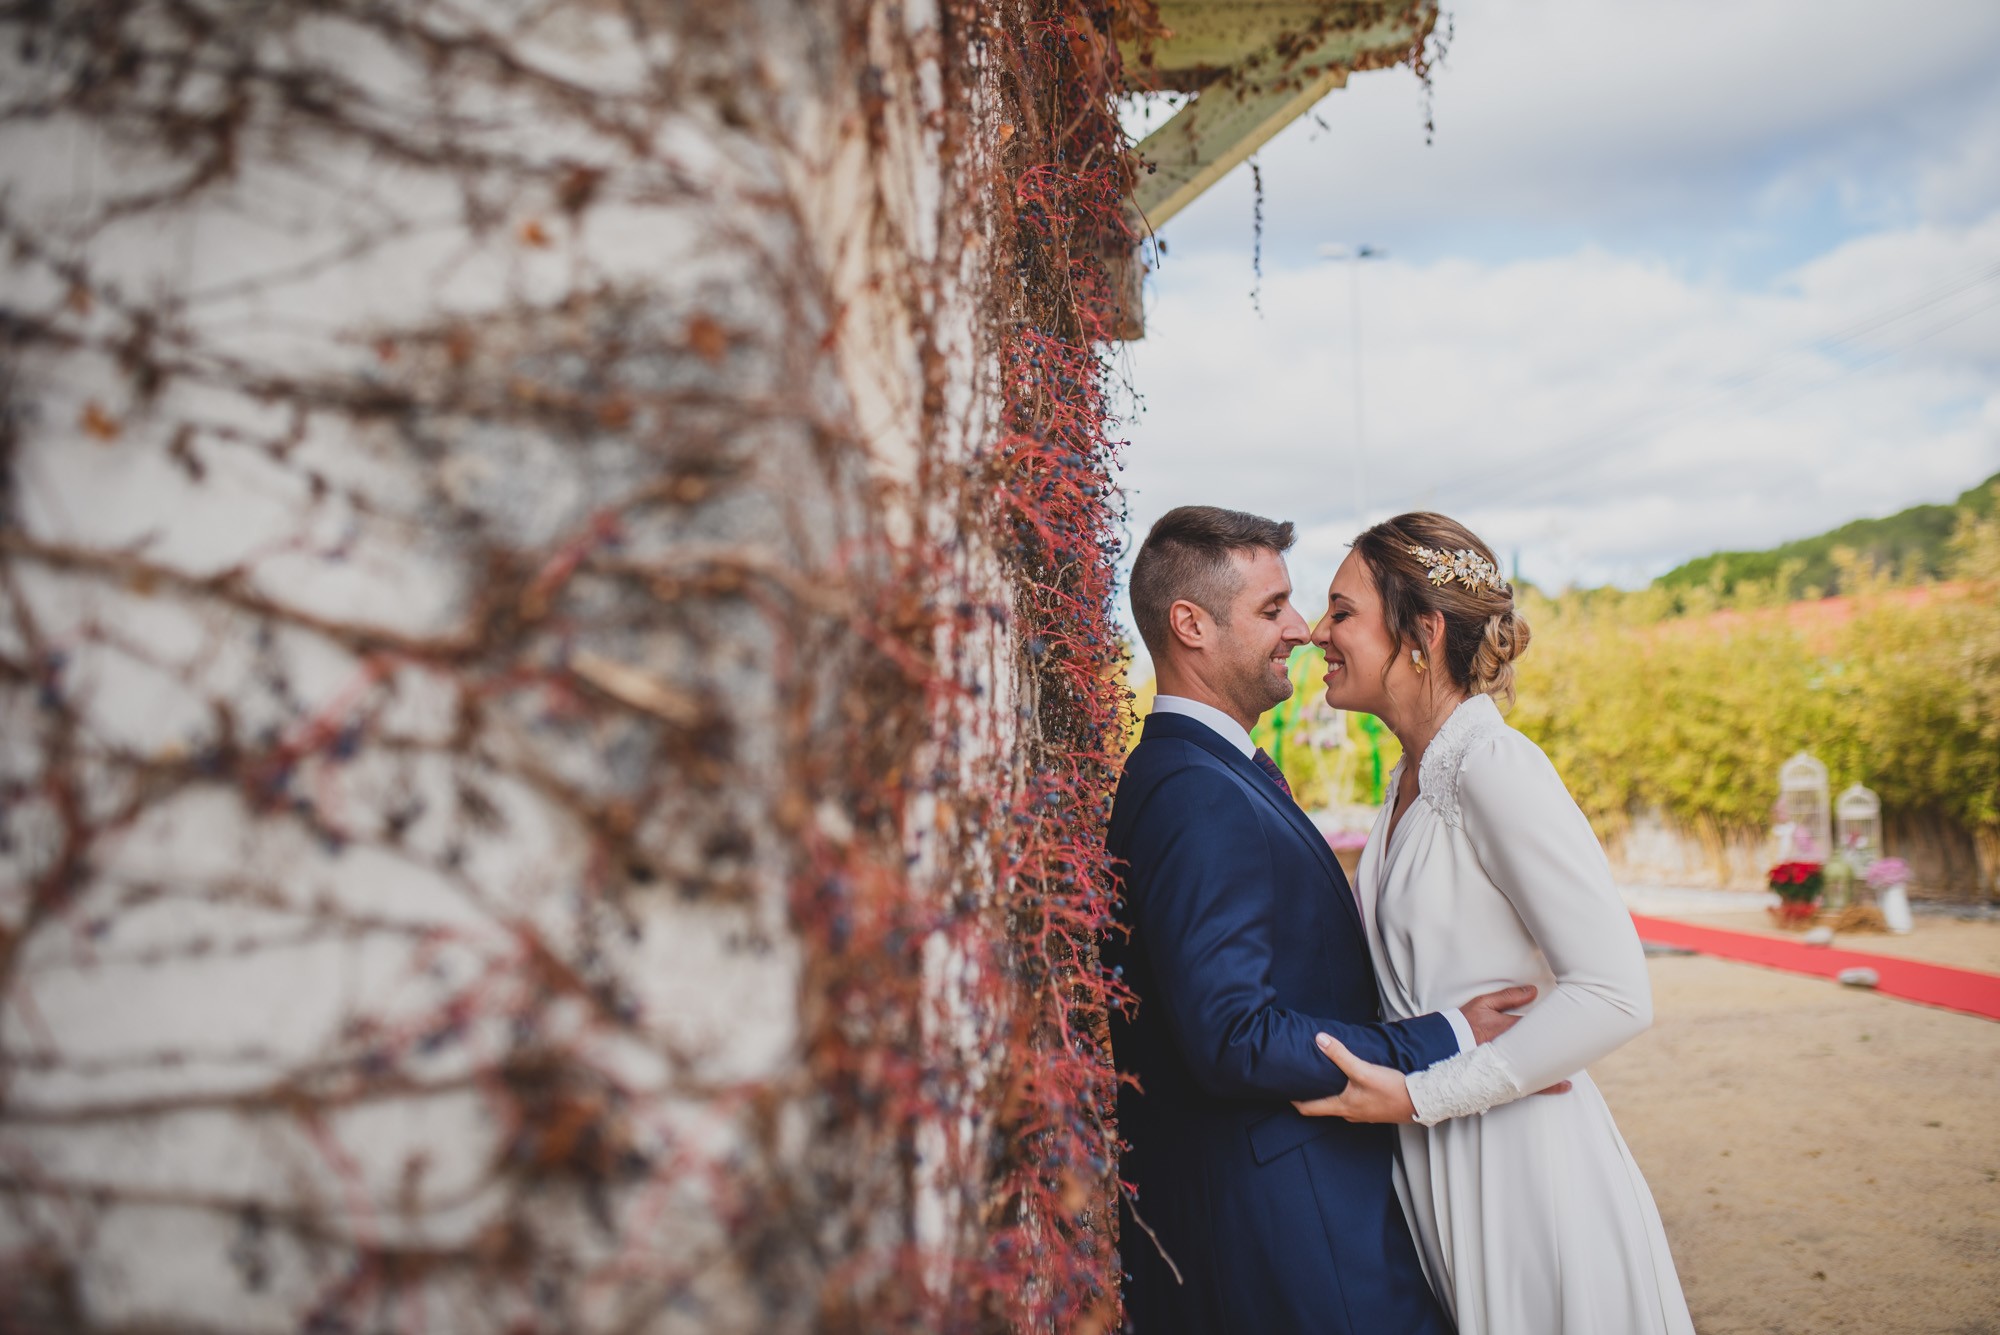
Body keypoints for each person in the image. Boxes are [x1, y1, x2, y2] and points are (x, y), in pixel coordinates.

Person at [1106, 505, 1545, 1335]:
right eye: (1273, 608)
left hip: (1297, 1212)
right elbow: (1233, 1035)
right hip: (1288, 1233)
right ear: (1190, 625)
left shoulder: (1209, 771)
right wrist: (1445, 1036)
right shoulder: (1194, 790)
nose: (1302, 630)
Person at [1292, 511, 1696, 1335]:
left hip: (1525, 1172)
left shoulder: (1494, 766)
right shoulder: (1410, 775)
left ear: (1421, 632)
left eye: (1341, 610)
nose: (1314, 632)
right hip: (1441, 1163)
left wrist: (1421, 1094)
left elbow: (1617, 992)